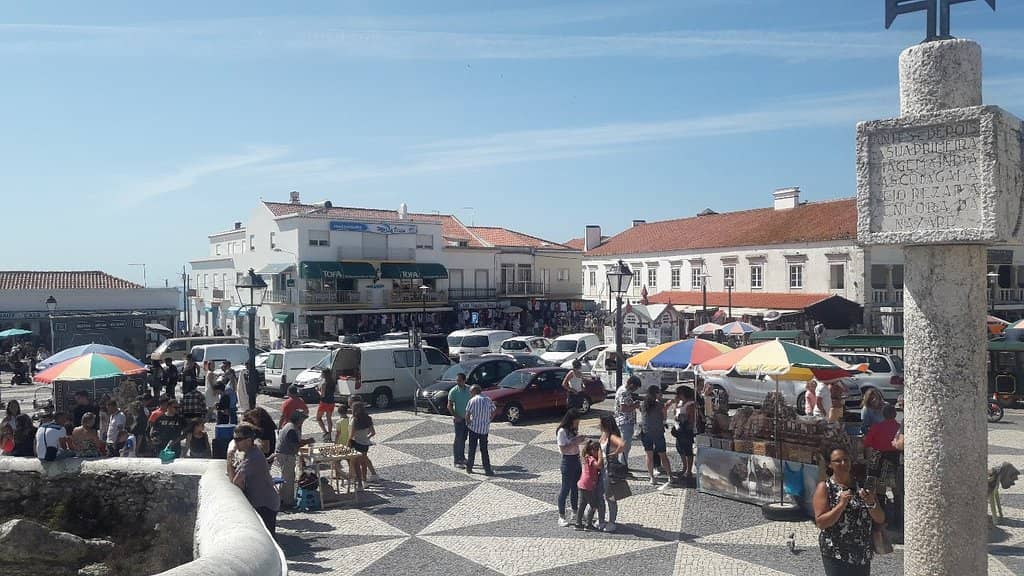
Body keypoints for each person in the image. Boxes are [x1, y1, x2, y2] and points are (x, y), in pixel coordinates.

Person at [813, 447, 886, 575]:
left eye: (846, 460)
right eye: (837, 461)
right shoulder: (825, 488)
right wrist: (840, 505)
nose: (843, 464)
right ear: (830, 464)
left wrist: (871, 503)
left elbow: (880, 518)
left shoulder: (862, 486)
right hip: (836, 553)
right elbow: (821, 523)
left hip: (862, 552)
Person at [229, 423, 281, 535]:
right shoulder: (250, 453)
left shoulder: (252, 457)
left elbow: (235, 481)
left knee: (268, 538)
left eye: (238, 439)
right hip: (262, 501)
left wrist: (229, 458)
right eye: (234, 439)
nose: (235, 442)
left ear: (248, 440)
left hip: (265, 504)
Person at [276, 409, 315, 509]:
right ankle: (288, 502)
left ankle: (283, 499)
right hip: (286, 455)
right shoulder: (292, 429)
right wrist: (307, 441)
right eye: (302, 420)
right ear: (298, 419)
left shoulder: (290, 426)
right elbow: (295, 444)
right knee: (288, 479)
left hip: (285, 454)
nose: (302, 422)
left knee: (286, 477)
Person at [556, 410, 587, 527]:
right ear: (571, 420)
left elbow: (574, 444)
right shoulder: (562, 431)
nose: (577, 424)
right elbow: (563, 449)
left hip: (576, 459)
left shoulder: (572, 430)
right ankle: (561, 516)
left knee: (575, 487)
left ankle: (575, 511)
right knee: (565, 489)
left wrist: (579, 439)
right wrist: (575, 441)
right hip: (567, 461)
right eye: (576, 422)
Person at [639, 385, 673, 488]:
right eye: (659, 392)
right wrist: (666, 406)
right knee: (663, 455)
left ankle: (652, 477)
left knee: (649, 456)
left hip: (646, 432)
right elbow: (664, 417)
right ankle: (670, 476)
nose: (661, 394)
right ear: (656, 394)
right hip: (658, 433)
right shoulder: (659, 405)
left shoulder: (643, 404)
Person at [464, 384, 496, 476]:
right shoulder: (488, 399)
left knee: (472, 449)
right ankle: (487, 470)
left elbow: (467, 415)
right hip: (484, 429)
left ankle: (469, 468)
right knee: (484, 450)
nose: (470, 393)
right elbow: (494, 411)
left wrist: (468, 423)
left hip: (474, 428)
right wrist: (489, 420)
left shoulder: (472, 401)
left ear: (474, 391)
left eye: (470, 391)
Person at [668, 387, 698, 481]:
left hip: (686, 430)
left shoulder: (691, 404)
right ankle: (685, 467)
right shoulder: (680, 403)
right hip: (679, 429)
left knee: (687, 450)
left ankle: (688, 470)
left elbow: (691, 418)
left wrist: (681, 417)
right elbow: (675, 413)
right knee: (680, 448)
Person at [574, 439, 604, 531]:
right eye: (597, 451)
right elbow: (599, 465)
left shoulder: (585, 457)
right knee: (593, 505)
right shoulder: (591, 458)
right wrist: (601, 455)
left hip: (582, 484)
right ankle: (588, 524)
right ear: (592, 451)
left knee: (582, 504)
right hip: (588, 485)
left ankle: (578, 523)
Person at [613, 376, 641, 470]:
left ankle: (622, 463)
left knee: (625, 444)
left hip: (624, 421)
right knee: (625, 445)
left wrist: (633, 404)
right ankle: (622, 465)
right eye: (636, 388)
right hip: (625, 421)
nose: (635, 390)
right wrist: (635, 406)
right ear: (632, 385)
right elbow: (623, 408)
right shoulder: (624, 392)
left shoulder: (623, 389)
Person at [349, 400, 379, 482]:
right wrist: (367, 438)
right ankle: (364, 479)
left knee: (356, 463)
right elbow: (373, 432)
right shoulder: (368, 418)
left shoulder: (355, 420)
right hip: (365, 444)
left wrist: (348, 443)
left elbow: (351, 435)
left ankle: (356, 479)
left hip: (356, 443)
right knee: (364, 462)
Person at [447, 372, 471, 467]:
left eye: (459, 380)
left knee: (464, 438)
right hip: (459, 420)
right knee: (458, 439)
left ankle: (462, 457)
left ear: (464, 381)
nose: (457, 382)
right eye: (457, 380)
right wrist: (456, 416)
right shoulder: (453, 391)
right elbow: (449, 406)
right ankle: (457, 460)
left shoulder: (469, 389)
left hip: (467, 419)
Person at [316, 368, 337, 442]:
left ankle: (325, 432)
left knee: (318, 418)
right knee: (329, 419)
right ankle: (330, 435)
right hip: (331, 402)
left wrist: (318, 390)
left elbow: (322, 395)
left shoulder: (324, 383)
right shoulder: (333, 382)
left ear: (324, 374)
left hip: (324, 402)